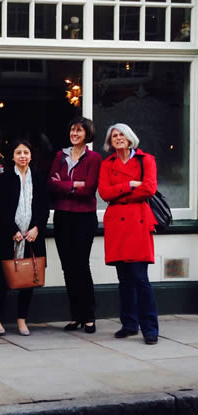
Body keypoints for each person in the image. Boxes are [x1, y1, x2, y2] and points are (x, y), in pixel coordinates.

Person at [98, 123, 159, 345]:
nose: (118, 138)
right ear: (110, 141)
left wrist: (120, 195)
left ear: (130, 137)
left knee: (140, 278)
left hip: (138, 223)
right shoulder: (107, 164)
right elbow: (104, 193)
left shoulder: (146, 160)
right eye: (114, 135)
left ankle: (150, 328)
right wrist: (130, 184)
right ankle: (129, 324)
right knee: (123, 279)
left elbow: (149, 188)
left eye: (122, 134)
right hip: (117, 225)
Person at [0, 139, 49, 336]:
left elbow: (44, 207)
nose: (23, 156)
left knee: (29, 279)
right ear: (12, 156)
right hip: (9, 236)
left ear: (31, 156)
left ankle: (22, 319)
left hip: (31, 237)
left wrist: (36, 228)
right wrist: (13, 230)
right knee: (3, 279)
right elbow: (0, 208)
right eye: (18, 152)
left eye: (26, 152)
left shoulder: (38, 178)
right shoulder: (4, 178)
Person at [48, 117, 102, 334]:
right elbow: (51, 184)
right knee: (67, 267)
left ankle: (89, 316)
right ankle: (76, 315)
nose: (75, 134)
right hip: (62, 215)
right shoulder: (60, 156)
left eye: (79, 131)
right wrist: (74, 185)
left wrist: (65, 185)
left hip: (84, 218)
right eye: (72, 130)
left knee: (81, 265)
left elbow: (89, 189)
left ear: (87, 134)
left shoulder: (94, 158)